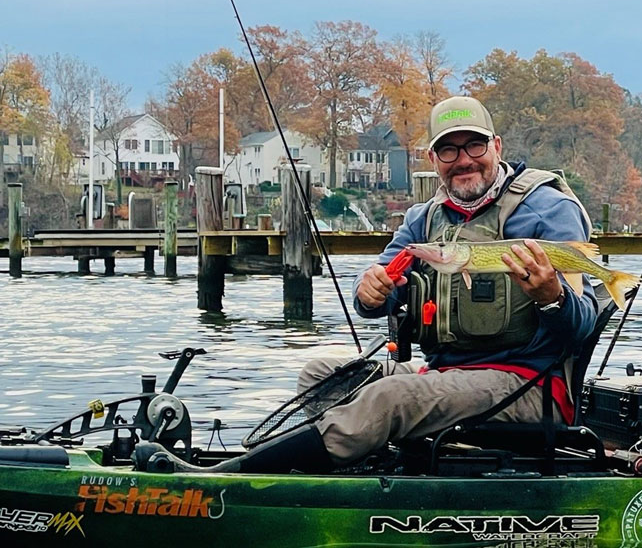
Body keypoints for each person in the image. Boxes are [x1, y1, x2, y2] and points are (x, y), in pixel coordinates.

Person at [134, 96, 598, 475]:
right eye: (449, 151)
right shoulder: (425, 220)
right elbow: (376, 286)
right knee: (320, 374)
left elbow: (582, 323)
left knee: (389, 398)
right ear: (433, 159)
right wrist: (370, 291)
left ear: (496, 146)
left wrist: (552, 298)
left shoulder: (547, 209)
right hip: (444, 376)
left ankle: (241, 476)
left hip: (530, 387)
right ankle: (341, 467)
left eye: (474, 146)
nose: (463, 161)